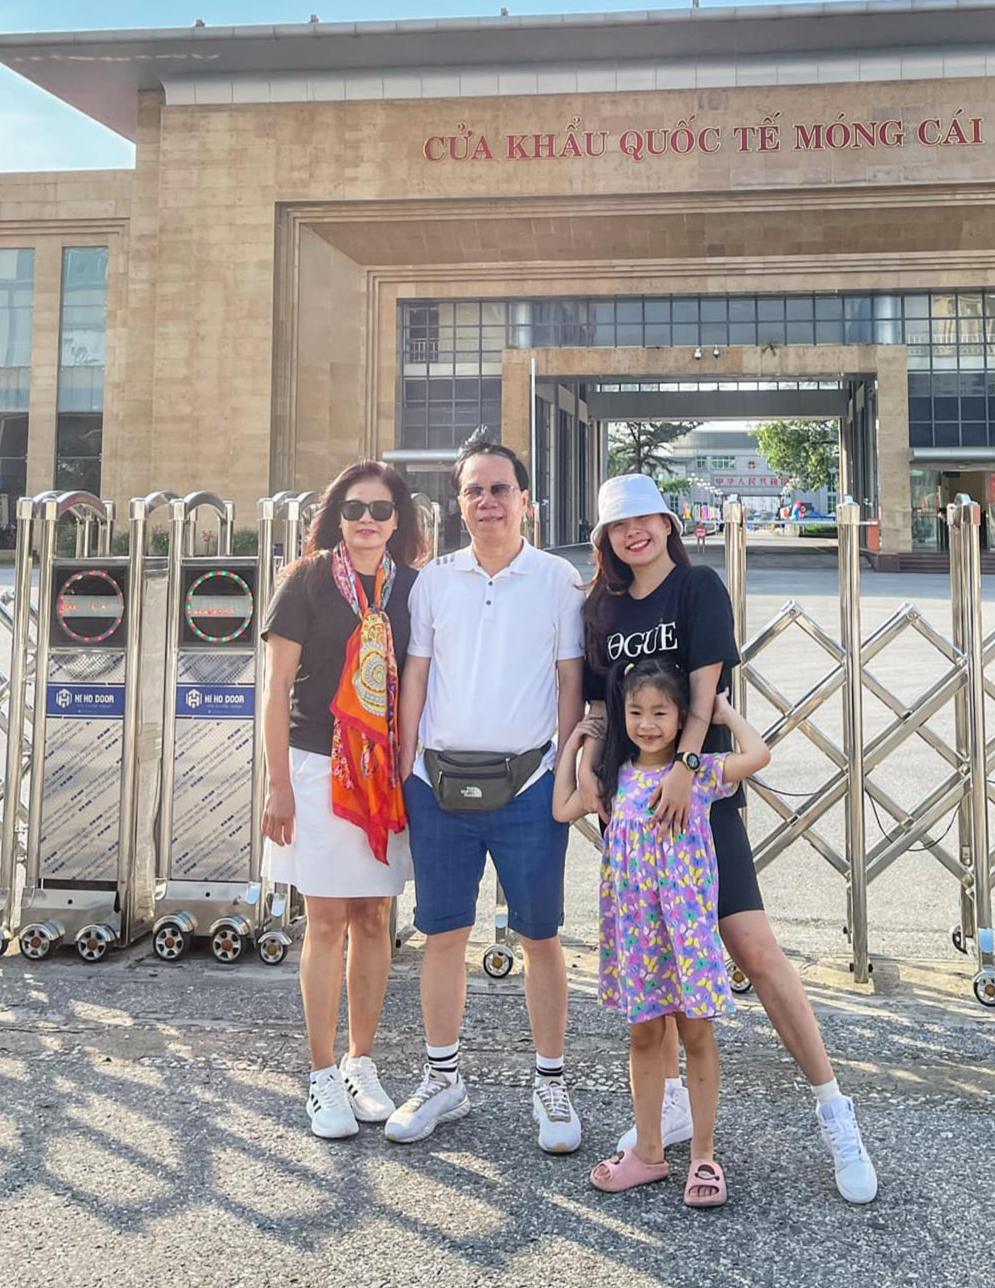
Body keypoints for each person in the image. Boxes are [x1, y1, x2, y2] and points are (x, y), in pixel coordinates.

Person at [578, 473, 878, 1203]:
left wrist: (686, 768)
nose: (633, 533)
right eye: (618, 525)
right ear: (605, 538)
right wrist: (591, 775)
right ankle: (667, 1116)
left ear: (667, 523)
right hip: (634, 809)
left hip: (698, 801)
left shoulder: (697, 587)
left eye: (645, 519)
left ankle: (834, 1110)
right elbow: (599, 708)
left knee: (753, 948)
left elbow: (706, 691)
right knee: (653, 972)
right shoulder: (601, 607)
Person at [386, 436, 586, 1152]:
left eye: (500, 488)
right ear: (459, 502)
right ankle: (442, 1078)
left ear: (525, 500)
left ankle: (551, 1081)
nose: (488, 501)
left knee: (540, 936)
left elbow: (570, 678)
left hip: (530, 782)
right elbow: (416, 672)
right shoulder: (433, 580)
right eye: (474, 489)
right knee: (443, 933)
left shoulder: (558, 579)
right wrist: (405, 761)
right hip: (437, 782)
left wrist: (565, 766)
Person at [554, 660, 769, 1208]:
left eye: (660, 713)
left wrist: (720, 712)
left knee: (697, 1035)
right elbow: (562, 809)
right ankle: (649, 1151)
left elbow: (758, 754)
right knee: (645, 1036)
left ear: (680, 719)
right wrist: (576, 746)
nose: (647, 724)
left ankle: (703, 1154)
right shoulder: (615, 778)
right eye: (636, 712)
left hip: (687, 932)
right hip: (638, 936)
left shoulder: (696, 776)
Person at [260, 461, 425, 1139]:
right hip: (315, 766)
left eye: (381, 510)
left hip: (382, 773)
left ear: (397, 520)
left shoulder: (412, 588)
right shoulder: (304, 581)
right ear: (336, 515)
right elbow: (276, 689)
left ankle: (361, 1061)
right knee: (326, 918)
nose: (367, 520)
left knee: (374, 915)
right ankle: (322, 1074)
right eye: (355, 508)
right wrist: (277, 784)